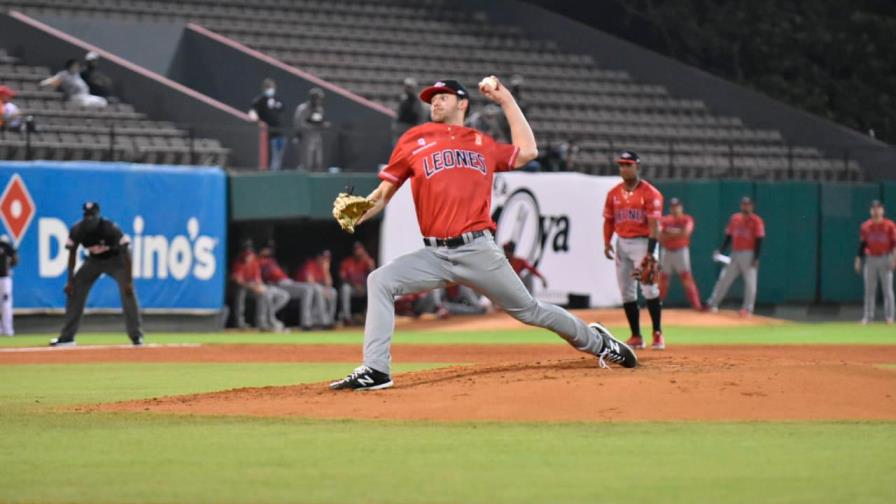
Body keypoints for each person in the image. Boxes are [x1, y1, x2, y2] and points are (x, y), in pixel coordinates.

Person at [329, 77, 636, 391]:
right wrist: (362, 211)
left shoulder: (481, 142)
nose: (435, 101)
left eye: (443, 96)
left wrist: (505, 100)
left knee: (531, 311)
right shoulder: (414, 139)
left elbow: (528, 151)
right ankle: (376, 369)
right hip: (434, 254)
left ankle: (599, 343)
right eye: (432, 97)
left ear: (463, 104)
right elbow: (382, 193)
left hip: (477, 250)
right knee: (380, 280)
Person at [49, 202, 142, 346]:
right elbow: (72, 254)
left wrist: (128, 281)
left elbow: (126, 254)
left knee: (128, 293)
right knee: (75, 289)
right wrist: (70, 281)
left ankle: (136, 336)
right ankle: (67, 337)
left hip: (116, 261)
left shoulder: (110, 228)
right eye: (86, 215)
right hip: (94, 261)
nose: (89, 218)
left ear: (98, 215)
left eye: (92, 215)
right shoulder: (78, 229)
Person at [603, 151, 665, 350]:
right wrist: (607, 242)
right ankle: (636, 336)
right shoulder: (613, 193)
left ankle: (657, 333)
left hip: (643, 242)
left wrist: (650, 252)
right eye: (621, 164)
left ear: (637, 167)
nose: (624, 168)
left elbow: (654, 225)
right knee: (626, 292)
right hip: (622, 243)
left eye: (628, 164)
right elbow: (609, 220)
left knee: (649, 288)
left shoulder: (650, 193)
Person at [706, 196, 765, 316]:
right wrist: (721, 250)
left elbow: (759, 239)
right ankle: (712, 303)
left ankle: (748, 309)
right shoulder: (735, 218)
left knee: (750, 282)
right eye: (744, 204)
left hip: (749, 254)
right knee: (724, 278)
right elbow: (728, 236)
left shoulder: (756, 221)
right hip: (735, 253)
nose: (745, 206)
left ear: (752, 206)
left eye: (748, 204)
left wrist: (756, 257)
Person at [258, 241, 317, 330]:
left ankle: (313, 320)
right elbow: (261, 275)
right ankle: (306, 322)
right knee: (307, 289)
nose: (270, 250)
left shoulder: (272, 260)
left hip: (286, 282)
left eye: (271, 248)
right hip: (277, 284)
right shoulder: (259, 261)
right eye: (267, 248)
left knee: (287, 296)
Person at [231, 240, 289, 331]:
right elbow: (239, 281)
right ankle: (259, 322)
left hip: (254, 286)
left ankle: (268, 318)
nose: (248, 256)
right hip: (245, 288)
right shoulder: (239, 263)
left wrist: (260, 286)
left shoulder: (254, 261)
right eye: (246, 254)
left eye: (250, 254)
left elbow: (257, 278)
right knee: (244, 292)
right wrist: (254, 287)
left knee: (279, 294)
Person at [854, 200, 896, 324]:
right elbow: (862, 244)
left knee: (887, 290)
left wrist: (894, 258)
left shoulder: (890, 225)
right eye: (874, 208)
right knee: (869, 290)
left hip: (885, 257)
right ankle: (868, 317)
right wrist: (858, 259)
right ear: (871, 210)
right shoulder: (865, 226)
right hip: (870, 258)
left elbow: (894, 244)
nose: (876, 210)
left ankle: (889, 317)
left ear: (882, 210)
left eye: (878, 208)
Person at [658, 198, 703, 310]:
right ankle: (657, 304)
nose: (675, 209)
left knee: (686, 278)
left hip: (681, 251)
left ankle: (696, 305)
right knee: (663, 280)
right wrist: (678, 232)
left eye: (677, 206)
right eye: (673, 206)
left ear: (681, 207)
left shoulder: (687, 219)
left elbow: (686, 233)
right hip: (666, 252)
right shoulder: (664, 220)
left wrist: (669, 232)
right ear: (670, 208)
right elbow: (659, 236)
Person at [249, 78, 286, 170]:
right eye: (268, 87)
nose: (271, 89)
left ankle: (276, 173)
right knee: (271, 158)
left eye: (272, 87)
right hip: (269, 134)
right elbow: (253, 111)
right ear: (264, 88)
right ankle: (270, 173)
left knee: (278, 157)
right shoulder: (259, 100)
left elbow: (282, 109)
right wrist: (254, 116)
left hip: (280, 133)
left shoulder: (277, 99)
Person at [40, 58, 107, 108]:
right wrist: (44, 83)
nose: (76, 67)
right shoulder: (63, 74)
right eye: (75, 66)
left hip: (85, 95)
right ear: (70, 66)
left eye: (77, 66)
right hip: (74, 97)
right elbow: (53, 80)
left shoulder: (76, 74)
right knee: (85, 103)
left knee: (102, 101)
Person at [296, 250, 337, 328]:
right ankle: (323, 321)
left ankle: (330, 320)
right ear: (318, 257)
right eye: (324, 258)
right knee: (318, 289)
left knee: (333, 292)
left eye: (328, 259)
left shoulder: (324, 267)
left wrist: (326, 270)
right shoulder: (310, 264)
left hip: (316, 288)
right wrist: (324, 289)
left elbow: (329, 284)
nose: (326, 260)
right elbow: (310, 282)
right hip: (303, 287)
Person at [338, 242, 375, 325]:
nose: (357, 251)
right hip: (352, 288)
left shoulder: (367, 261)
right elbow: (342, 278)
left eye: (359, 249)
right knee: (345, 288)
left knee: (373, 288)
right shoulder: (347, 262)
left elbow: (373, 277)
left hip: (364, 288)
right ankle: (346, 317)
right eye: (356, 250)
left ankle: (370, 316)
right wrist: (355, 286)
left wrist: (370, 264)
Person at [293, 88, 329, 171]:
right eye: (317, 98)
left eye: (320, 99)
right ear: (312, 98)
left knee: (318, 162)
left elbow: (319, 121)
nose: (318, 101)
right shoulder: (303, 109)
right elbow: (300, 124)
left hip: (317, 137)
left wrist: (323, 125)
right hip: (305, 138)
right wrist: (313, 127)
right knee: (306, 163)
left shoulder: (319, 109)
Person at [392, 77, 424, 145]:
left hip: (411, 127)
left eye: (409, 87)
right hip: (400, 126)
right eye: (406, 86)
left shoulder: (416, 100)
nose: (407, 88)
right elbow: (399, 112)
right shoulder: (403, 98)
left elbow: (418, 114)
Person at [0, 235, 18, 336]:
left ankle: (7, 329)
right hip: (5, 278)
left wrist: (9, 265)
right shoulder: (6, 246)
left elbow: (15, 259)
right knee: (5, 304)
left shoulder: (6, 246)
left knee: (6, 303)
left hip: (4, 278)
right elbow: (15, 259)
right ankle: (6, 329)